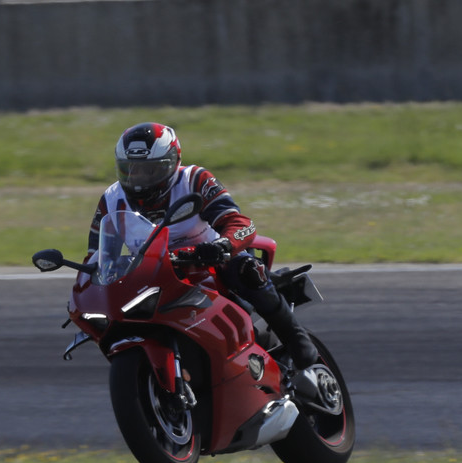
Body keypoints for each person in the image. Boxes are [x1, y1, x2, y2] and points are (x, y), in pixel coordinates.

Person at [88, 122, 335, 398]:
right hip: (153, 273)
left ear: (172, 163)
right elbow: (96, 254)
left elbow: (238, 222)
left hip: (207, 260)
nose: (139, 179)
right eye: (131, 169)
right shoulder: (111, 199)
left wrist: (222, 245)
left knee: (247, 270)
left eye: (150, 170)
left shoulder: (194, 179)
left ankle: (302, 350)